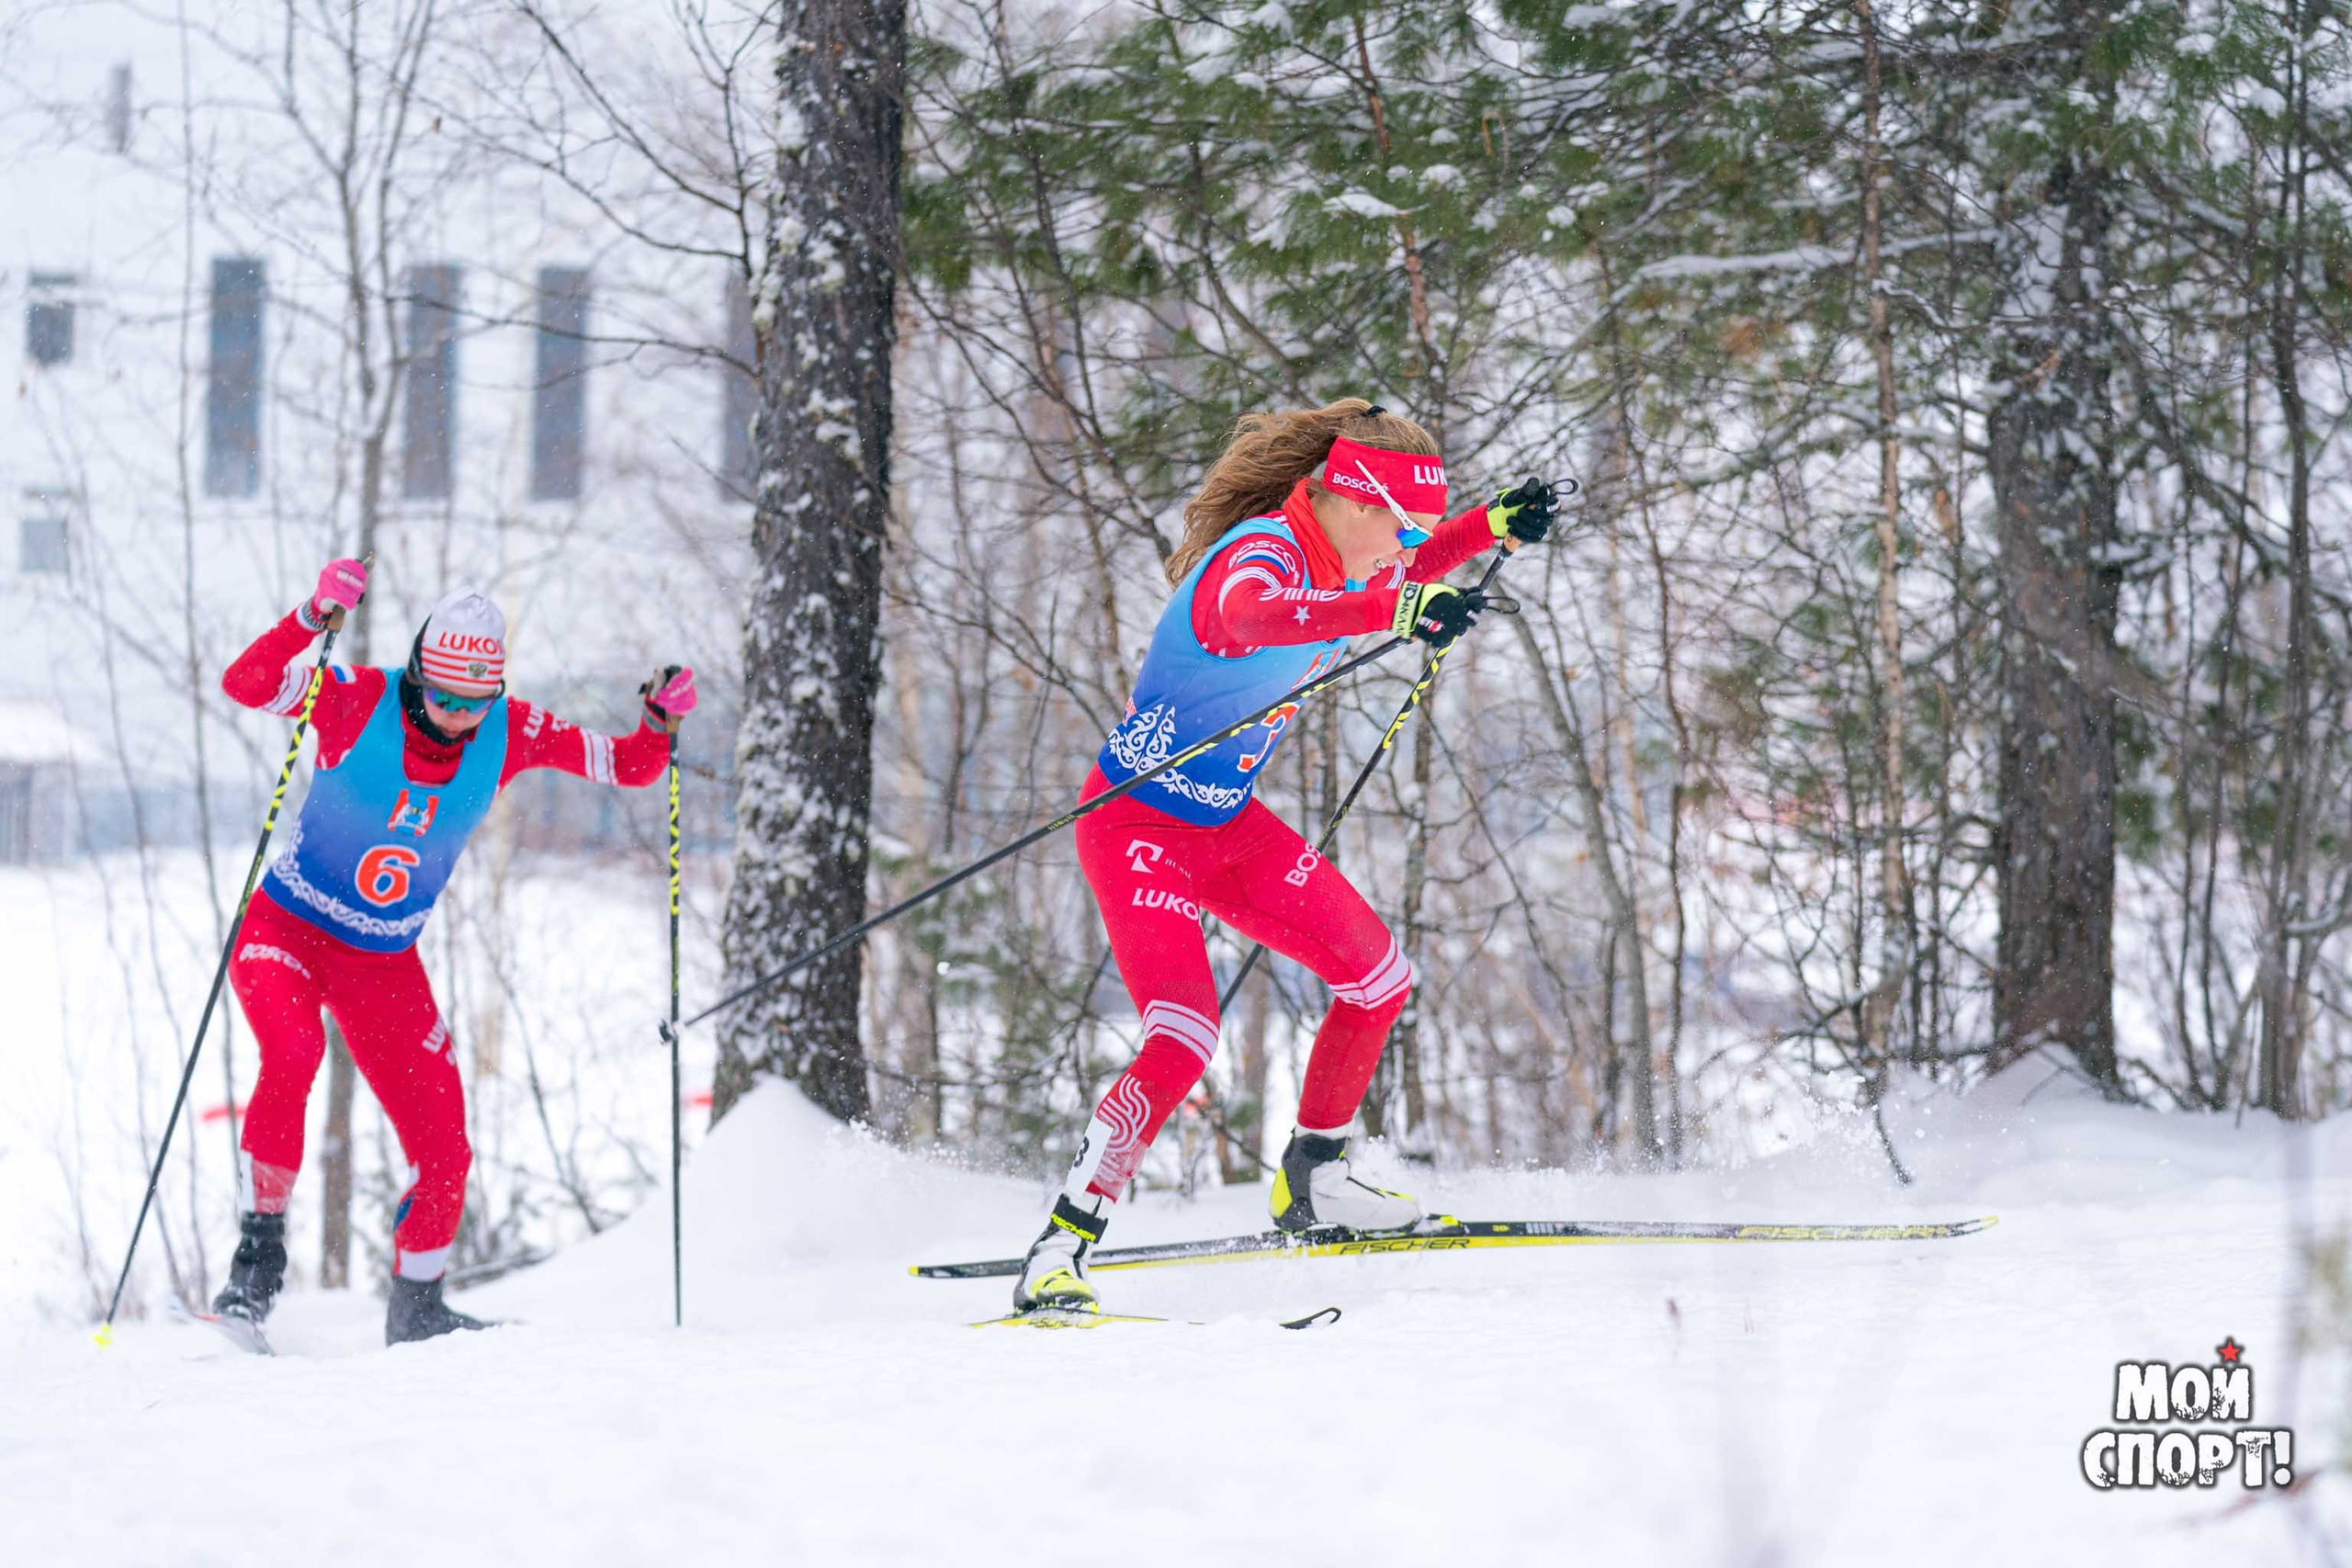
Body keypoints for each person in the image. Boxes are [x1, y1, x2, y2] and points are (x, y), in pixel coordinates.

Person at [1012, 399, 1557, 1313]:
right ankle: (1061, 1244)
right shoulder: (1258, 555)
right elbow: (1252, 616)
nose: (1406, 545)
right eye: (1401, 524)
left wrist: (1488, 527)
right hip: (1134, 824)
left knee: (1377, 978)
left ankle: (1315, 1179)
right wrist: (1398, 604)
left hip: (1225, 823)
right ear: (1350, 498)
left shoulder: (1345, 558)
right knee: (1183, 1036)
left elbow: (1395, 576)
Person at [209, 560, 696, 1344]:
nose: (459, 717)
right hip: (288, 927)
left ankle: (418, 1306)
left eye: (476, 701)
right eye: (443, 697)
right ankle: (255, 1268)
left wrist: (658, 722)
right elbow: (246, 680)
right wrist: (310, 615)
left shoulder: (512, 731)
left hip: (382, 959)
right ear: (415, 679)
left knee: (446, 1143)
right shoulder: (355, 698)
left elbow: (630, 765)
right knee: (293, 1051)